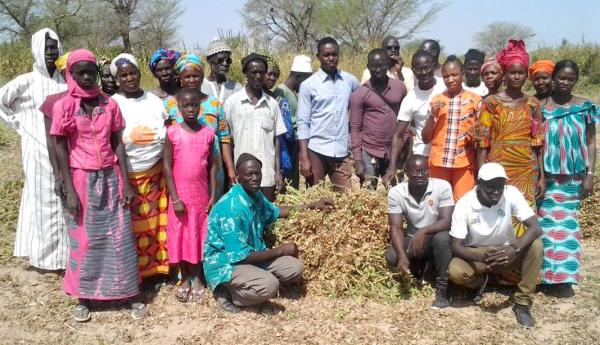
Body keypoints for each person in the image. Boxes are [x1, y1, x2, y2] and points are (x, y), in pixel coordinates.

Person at [51, 49, 145, 322]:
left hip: (111, 176)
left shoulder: (109, 104)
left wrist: (126, 183)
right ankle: (84, 298)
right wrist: (67, 189)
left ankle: (129, 294)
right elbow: (59, 146)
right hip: (81, 178)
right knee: (85, 239)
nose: (87, 77)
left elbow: (118, 143)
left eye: (90, 71)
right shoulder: (64, 106)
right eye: (80, 73)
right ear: (72, 75)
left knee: (120, 237)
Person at [204, 153, 334, 313]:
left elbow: (276, 211)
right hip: (227, 264)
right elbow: (241, 256)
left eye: (257, 173)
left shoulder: (255, 195)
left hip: (253, 256)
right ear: (238, 176)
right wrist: (280, 251)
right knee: (270, 285)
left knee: (295, 268)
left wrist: (313, 205)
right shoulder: (231, 208)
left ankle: (256, 283)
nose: (254, 178)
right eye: (249, 174)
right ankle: (228, 294)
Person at [0, 28, 68, 272]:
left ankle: (66, 256)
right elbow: (2, 100)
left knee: (65, 199)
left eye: (55, 47)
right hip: (36, 150)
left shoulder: (66, 79)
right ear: (37, 50)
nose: (51, 53)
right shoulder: (25, 81)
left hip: (63, 149)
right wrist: (19, 125)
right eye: (47, 48)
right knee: (41, 201)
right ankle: (44, 258)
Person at [448, 163, 543, 328]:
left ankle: (522, 303)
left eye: (500, 186)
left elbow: (536, 227)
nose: (496, 191)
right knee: (456, 271)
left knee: (536, 245)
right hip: (477, 254)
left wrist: (514, 248)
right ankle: (480, 283)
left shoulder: (511, 193)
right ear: (479, 185)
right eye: (490, 187)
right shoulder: (464, 204)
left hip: (506, 250)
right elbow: (456, 246)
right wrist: (483, 256)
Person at [538, 60, 598, 297]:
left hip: (574, 177)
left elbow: (592, 142)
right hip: (548, 177)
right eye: (561, 78)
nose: (565, 83)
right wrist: (539, 176)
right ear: (553, 78)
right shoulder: (541, 107)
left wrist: (590, 174)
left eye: (570, 78)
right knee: (547, 227)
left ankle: (564, 279)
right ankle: (545, 277)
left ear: (576, 80)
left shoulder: (585, 107)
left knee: (568, 228)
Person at [474, 40, 545, 237]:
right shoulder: (491, 103)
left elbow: (537, 142)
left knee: (524, 215)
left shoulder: (533, 103)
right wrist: (481, 176)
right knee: (498, 215)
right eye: (512, 72)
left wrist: (541, 177)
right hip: (498, 169)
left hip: (525, 169)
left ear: (526, 76)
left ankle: (523, 262)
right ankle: (498, 265)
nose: (516, 76)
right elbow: (482, 143)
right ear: (504, 74)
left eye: (521, 72)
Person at [111, 53, 170, 280]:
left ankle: (157, 270)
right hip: (130, 175)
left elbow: (166, 135)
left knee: (156, 224)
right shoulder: (114, 104)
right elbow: (113, 141)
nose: (129, 78)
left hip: (156, 174)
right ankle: (136, 275)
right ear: (117, 80)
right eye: (123, 75)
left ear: (139, 73)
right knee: (133, 227)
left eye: (132, 73)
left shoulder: (155, 102)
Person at [163, 87, 217, 303]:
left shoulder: (208, 133)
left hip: (200, 194)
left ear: (200, 106)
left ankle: (197, 277)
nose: (190, 109)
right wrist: (175, 198)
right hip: (180, 196)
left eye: (194, 105)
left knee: (198, 235)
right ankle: (184, 277)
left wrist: (213, 194)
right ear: (179, 107)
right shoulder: (173, 132)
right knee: (181, 235)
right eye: (186, 105)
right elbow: (167, 166)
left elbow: (213, 166)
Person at [385, 155, 454, 309]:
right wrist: (402, 256)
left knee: (442, 238)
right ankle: (419, 267)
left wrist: (423, 231)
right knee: (392, 256)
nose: (421, 176)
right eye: (416, 172)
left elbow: (446, 221)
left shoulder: (442, 187)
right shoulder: (396, 192)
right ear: (406, 172)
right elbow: (395, 227)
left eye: (424, 171)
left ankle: (443, 290)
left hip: (437, 234)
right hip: (413, 238)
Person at [164, 54, 235, 197]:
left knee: (212, 208)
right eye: (187, 77)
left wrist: (230, 169)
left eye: (196, 76)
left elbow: (224, 138)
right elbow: (166, 143)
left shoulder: (214, 104)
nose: (191, 80)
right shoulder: (169, 104)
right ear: (180, 79)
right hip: (182, 170)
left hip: (213, 168)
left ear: (202, 77)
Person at [297, 37, 359, 190]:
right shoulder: (308, 85)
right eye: (326, 55)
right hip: (316, 149)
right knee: (315, 199)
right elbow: (303, 122)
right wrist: (304, 158)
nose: (331, 58)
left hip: (341, 150)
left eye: (334, 54)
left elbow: (360, 107)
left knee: (346, 198)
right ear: (318, 56)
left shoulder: (350, 81)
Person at [224, 53, 287, 201]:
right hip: (241, 176)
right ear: (246, 73)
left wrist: (277, 172)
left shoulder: (272, 104)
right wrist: (231, 171)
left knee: (267, 218)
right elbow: (226, 140)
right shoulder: (232, 103)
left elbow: (277, 141)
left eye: (261, 72)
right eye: (254, 72)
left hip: (266, 175)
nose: (258, 76)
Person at [382, 50, 446, 187]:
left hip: (446, 151)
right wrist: (392, 168)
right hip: (424, 154)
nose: (423, 73)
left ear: (434, 66)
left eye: (427, 68)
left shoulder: (445, 86)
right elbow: (398, 135)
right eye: (419, 69)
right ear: (413, 70)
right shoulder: (410, 98)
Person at [422, 56, 481, 201]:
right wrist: (431, 115)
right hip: (439, 162)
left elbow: (481, 136)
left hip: (464, 163)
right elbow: (425, 138)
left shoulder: (476, 100)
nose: (450, 79)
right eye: (446, 76)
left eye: (454, 75)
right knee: (437, 203)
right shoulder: (436, 100)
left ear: (463, 75)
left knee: (463, 203)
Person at [350, 48, 407, 189]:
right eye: (373, 66)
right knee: (369, 198)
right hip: (370, 151)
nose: (378, 69)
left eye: (381, 65)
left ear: (388, 64)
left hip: (395, 151)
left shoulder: (400, 87)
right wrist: (357, 160)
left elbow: (406, 120)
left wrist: (405, 144)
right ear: (368, 67)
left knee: (396, 193)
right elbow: (355, 129)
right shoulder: (359, 93)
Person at [273, 55, 313, 189]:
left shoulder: (292, 92)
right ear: (298, 77)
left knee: (294, 178)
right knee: (288, 179)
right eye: (306, 80)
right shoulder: (281, 91)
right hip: (286, 143)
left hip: (295, 143)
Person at [40, 52, 70, 201]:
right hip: (68, 172)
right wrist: (58, 177)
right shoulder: (53, 102)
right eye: (67, 72)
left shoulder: (101, 99)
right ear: (63, 75)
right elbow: (51, 141)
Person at [263, 58, 296, 193]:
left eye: (275, 75)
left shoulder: (278, 100)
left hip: (277, 149)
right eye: (269, 74)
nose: (272, 78)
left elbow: (288, 132)